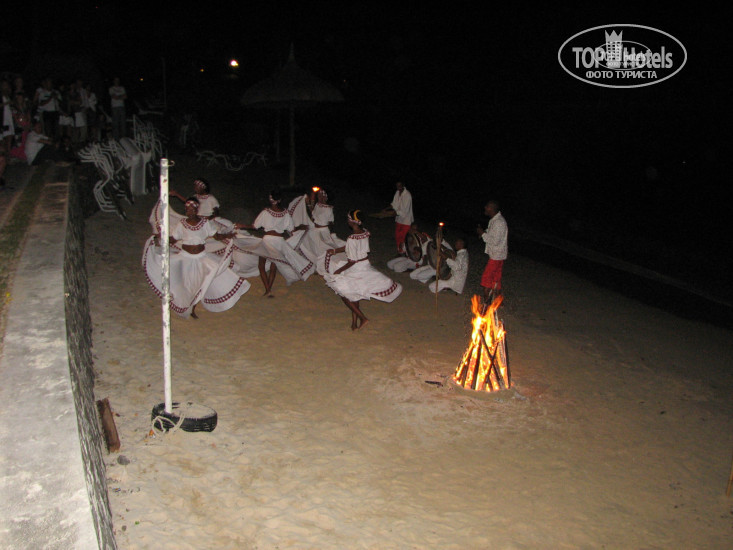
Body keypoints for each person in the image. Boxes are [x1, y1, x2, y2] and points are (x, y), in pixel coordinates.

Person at [142, 196, 250, 319]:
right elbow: (173, 239)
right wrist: (161, 236)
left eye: (192, 209)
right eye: (187, 209)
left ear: (197, 210)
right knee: (187, 284)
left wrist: (228, 235)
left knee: (200, 283)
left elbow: (216, 236)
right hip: (185, 258)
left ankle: (193, 307)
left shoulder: (205, 223)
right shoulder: (182, 224)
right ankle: (189, 308)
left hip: (201, 258)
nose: (189, 212)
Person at [319, 209, 402, 331]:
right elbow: (350, 247)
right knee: (354, 294)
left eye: (348, 219)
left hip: (356, 268)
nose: (347, 221)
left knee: (344, 294)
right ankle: (354, 323)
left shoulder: (352, 238)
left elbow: (352, 261)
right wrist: (335, 251)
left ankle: (363, 318)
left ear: (353, 222)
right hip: (365, 265)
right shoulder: (364, 232)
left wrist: (338, 271)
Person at [236, 189, 315, 296]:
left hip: (268, 240)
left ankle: (268, 290)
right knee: (274, 265)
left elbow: (254, 226)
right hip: (279, 242)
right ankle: (269, 289)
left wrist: (242, 225)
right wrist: (301, 226)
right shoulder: (285, 213)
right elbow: (292, 230)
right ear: (280, 199)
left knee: (261, 266)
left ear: (271, 199)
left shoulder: (266, 212)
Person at [477, 200, 508, 301]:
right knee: (496, 280)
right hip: (498, 255)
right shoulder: (495, 220)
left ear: (491, 208)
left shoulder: (498, 222)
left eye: (487, 206)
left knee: (486, 280)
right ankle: (498, 302)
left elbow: (495, 241)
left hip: (496, 256)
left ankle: (486, 304)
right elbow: (493, 234)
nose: (485, 208)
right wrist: (484, 232)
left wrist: (483, 234)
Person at [381, 180, 414, 254]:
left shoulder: (407, 195)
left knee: (404, 237)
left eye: (399, 185)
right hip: (399, 219)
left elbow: (404, 211)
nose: (398, 187)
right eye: (397, 185)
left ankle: (406, 252)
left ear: (403, 185)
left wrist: (389, 213)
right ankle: (400, 251)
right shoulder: (397, 192)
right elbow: (394, 204)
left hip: (406, 219)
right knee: (397, 235)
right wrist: (386, 209)